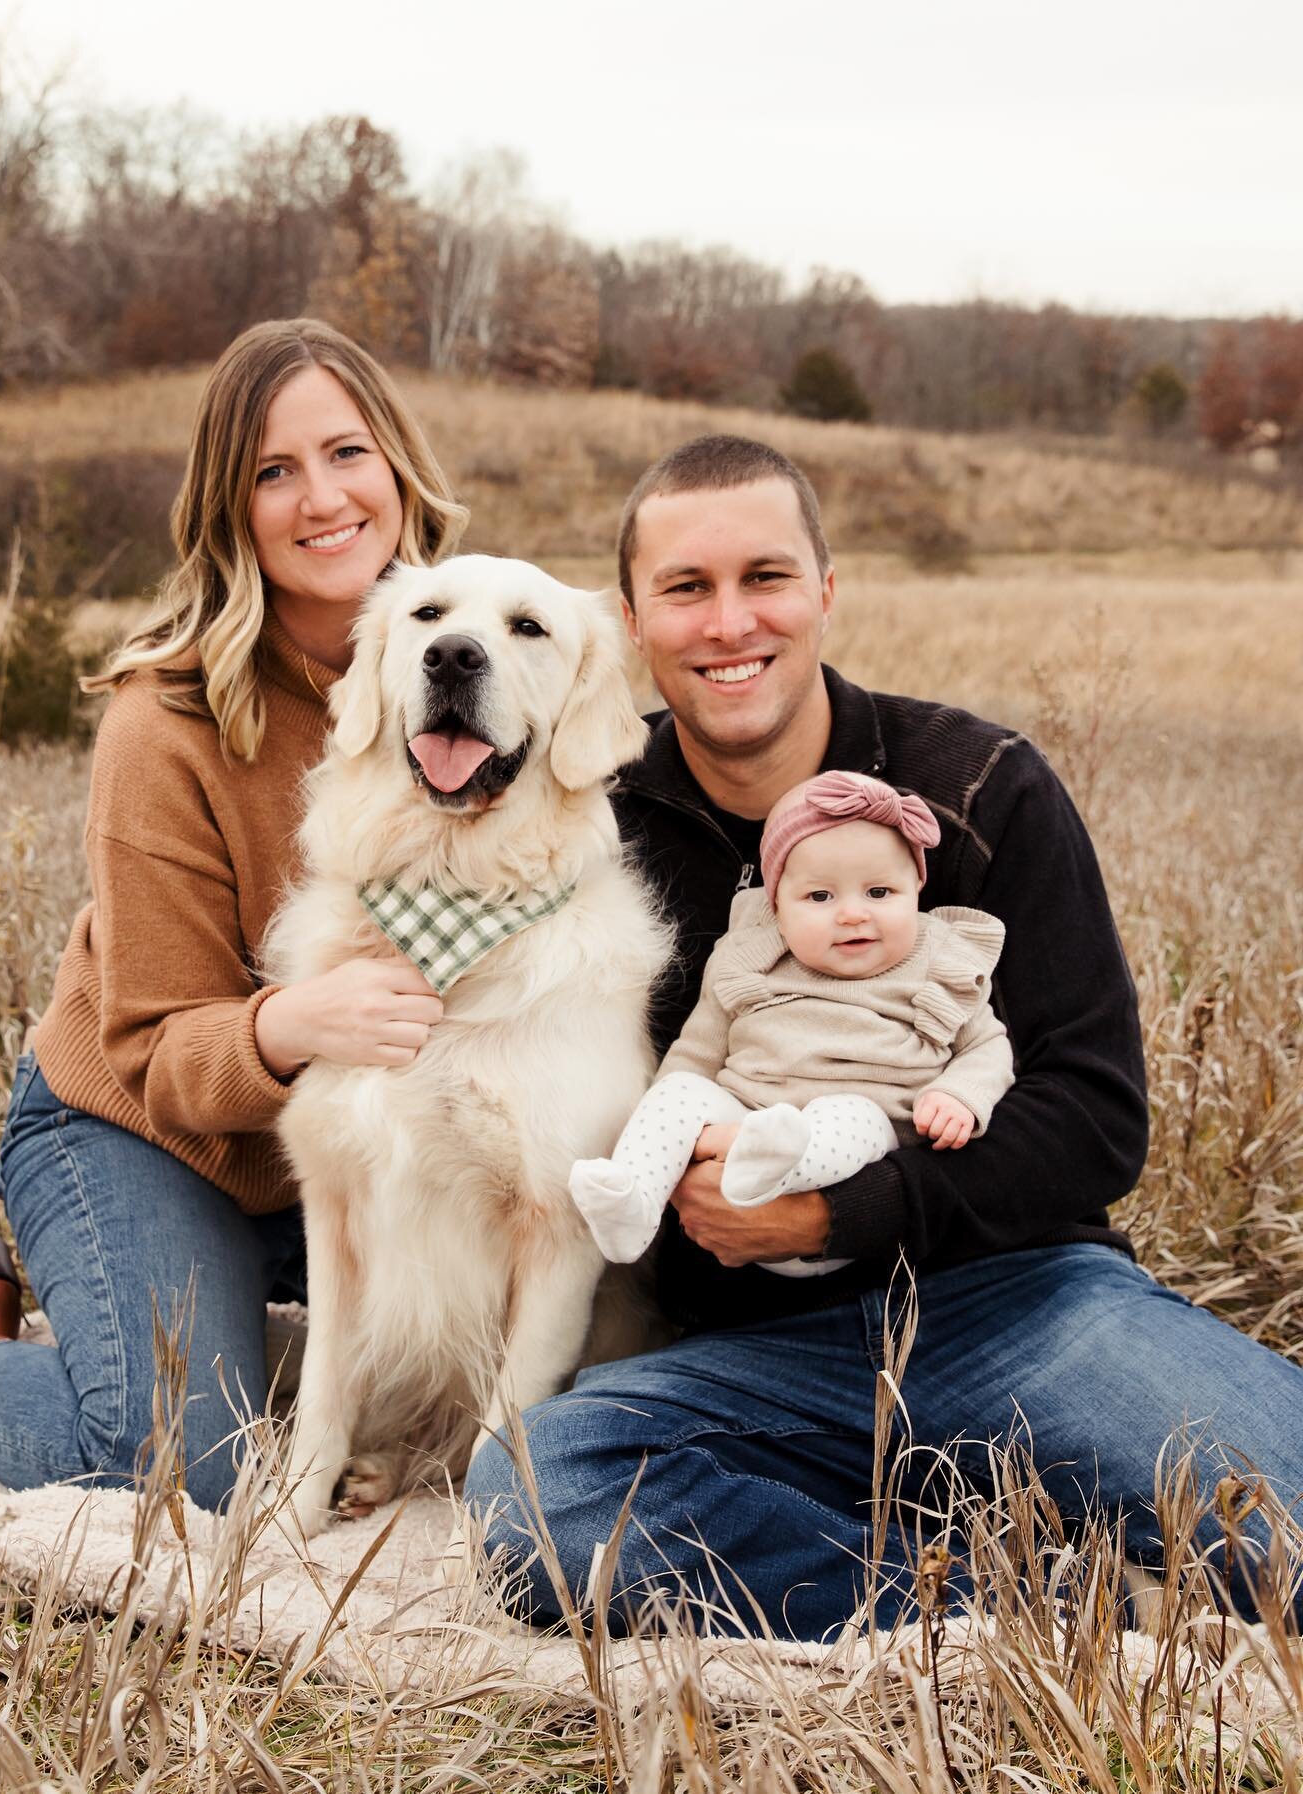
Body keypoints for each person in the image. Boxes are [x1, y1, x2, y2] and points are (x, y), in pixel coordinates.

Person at [465, 432, 1303, 1639]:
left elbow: (1094, 1114)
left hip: (1020, 1306)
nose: (729, 622)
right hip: (755, 1357)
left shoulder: (980, 785)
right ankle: (1031, 1602)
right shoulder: (592, 813)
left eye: (766, 578)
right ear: (635, 626)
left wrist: (839, 1212)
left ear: (826, 592)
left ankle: (1016, 1500)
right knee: (537, 1499)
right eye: (685, 590)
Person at [0, 318, 463, 1511]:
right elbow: (158, 1053)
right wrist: (295, 1022)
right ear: (228, 509)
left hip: (348, 1150)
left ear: (397, 465)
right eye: (272, 472)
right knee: (195, 1461)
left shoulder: (475, 653)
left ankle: (225, 1341)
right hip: (142, 1133)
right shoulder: (168, 725)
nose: (322, 497)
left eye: (347, 453)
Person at [570, 769, 1014, 1276]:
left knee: (851, 1115)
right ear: (776, 903)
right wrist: (678, 1127)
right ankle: (633, 1201)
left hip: (847, 1175)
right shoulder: (750, 957)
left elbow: (988, 1046)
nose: (852, 914)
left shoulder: (938, 959)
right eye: (820, 897)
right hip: (742, 1124)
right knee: (676, 1096)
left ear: (918, 885)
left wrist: (960, 1095)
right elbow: (697, 1052)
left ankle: (779, 1163)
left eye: (879, 892)